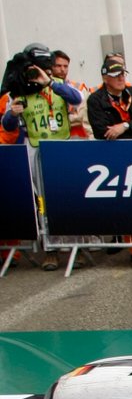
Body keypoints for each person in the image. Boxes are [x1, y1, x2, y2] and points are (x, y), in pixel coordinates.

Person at [1, 43, 86, 271]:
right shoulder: (19, 91)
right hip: (35, 147)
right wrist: (11, 113)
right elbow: (8, 126)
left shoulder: (58, 86)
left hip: (62, 147)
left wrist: (48, 82)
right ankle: (50, 250)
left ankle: (74, 246)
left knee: (67, 197)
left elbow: (77, 99)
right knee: (43, 203)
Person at [86, 56, 132, 269]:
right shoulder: (96, 100)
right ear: (105, 78)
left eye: (122, 74)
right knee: (130, 204)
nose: (120, 79)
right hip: (115, 159)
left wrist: (125, 127)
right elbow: (102, 131)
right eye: (115, 75)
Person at [49, 50, 92, 139]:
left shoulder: (78, 88)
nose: (62, 69)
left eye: (65, 66)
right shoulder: (45, 90)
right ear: (50, 67)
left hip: (78, 137)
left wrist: (66, 118)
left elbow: (83, 116)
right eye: (58, 66)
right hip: (54, 137)